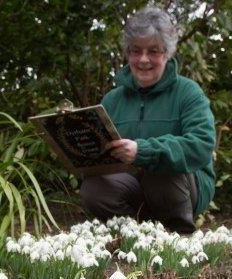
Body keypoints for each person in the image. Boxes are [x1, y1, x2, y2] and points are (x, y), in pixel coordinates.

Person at [79, 6, 216, 234]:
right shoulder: (112, 100)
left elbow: (201, 146)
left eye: (153, 51)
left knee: (159, 171)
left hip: (181, 187)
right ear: (128, 53)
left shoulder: (188, 92)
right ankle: (136, 233)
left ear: (167, 53)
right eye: (135, 51)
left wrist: (142, 151)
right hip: (132, 186)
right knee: (93, 188)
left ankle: (179, 234)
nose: (143, 60)